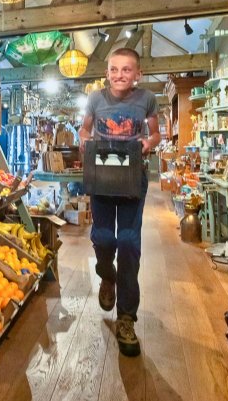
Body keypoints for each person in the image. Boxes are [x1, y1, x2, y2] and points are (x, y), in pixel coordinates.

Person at [79, 47, 161, 357]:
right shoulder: (96, 99)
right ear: (107, 72)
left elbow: (156, 134)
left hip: (132, 178)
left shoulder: (147, 99)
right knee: (102, 236)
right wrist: (83, 138)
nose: (119, 75)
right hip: (101, 174)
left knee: (128, 243)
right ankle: (107, 276)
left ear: (138, 74)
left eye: (127, 70)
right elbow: (85, 128)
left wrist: (147, 142)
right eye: (114, 69)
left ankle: (127, 318)